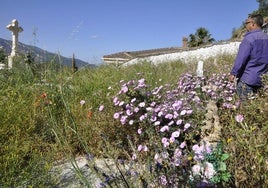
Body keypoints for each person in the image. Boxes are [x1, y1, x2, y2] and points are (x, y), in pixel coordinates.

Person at [229, 14, 268, 101]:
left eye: (247, 22)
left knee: (244, 109)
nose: (245, 25)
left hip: (247, 80)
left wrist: (233, 73)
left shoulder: (249, 39)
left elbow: (241, 58)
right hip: (262, 81)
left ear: (253, 24)